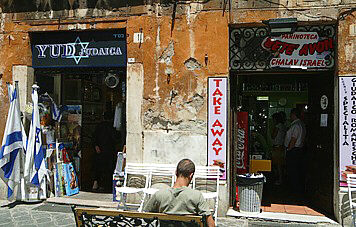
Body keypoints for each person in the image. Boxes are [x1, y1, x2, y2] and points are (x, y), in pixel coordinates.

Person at [143, 159, 215, 227]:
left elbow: (147, 217)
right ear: (191, 175)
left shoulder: (159, 194)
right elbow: (210, 224)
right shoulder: (197, 196)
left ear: (176, 172)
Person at [92, 111, 117, 191]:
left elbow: (94, 137)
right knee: (107, 168)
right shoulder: (112, 127)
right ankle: (104, 185)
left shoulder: (99, 126)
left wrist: (96, 146)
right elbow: (115, 139)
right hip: (109, 150)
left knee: (98, 167)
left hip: (100, 150)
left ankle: (96, 183)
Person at [284, 108, 306, 193]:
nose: (290, 116)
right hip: (298, 149)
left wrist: (289, 149)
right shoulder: (301, 124)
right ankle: (296, 187)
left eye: (291, 115)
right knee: (296, 169)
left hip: (294, 150)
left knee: (293, 170)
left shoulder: (296, 125)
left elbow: (293, 139)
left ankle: (294, 189)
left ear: (293, 115)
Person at [271, 112, 287, 185]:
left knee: (277, 165)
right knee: (280, 165)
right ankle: (280, 179)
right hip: (282, 147)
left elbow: (273, 136)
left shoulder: (277, 126)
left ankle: (279, 180)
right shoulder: (283, 126)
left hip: (277, 147)